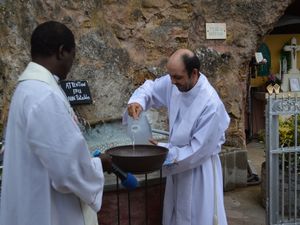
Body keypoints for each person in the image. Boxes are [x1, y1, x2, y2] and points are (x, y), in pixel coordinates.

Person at [0, 21, 112, 225]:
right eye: (72, 56)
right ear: (62, 52)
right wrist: (99, 164)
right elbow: (67, 169)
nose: (71, 63)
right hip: (49, 212)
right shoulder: (44, 96)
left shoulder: (26, 89)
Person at [127, 49, 230, 225]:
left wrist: (162, 151)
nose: (173, 82)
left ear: (194, 73)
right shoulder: (174, 82)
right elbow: (151, 88)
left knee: (197, 217)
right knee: (175, 215)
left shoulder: (211, 105)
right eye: (171, 76)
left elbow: (196, 151)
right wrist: (138, 101)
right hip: (176, 166)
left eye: (178, 78)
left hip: (198, 172)